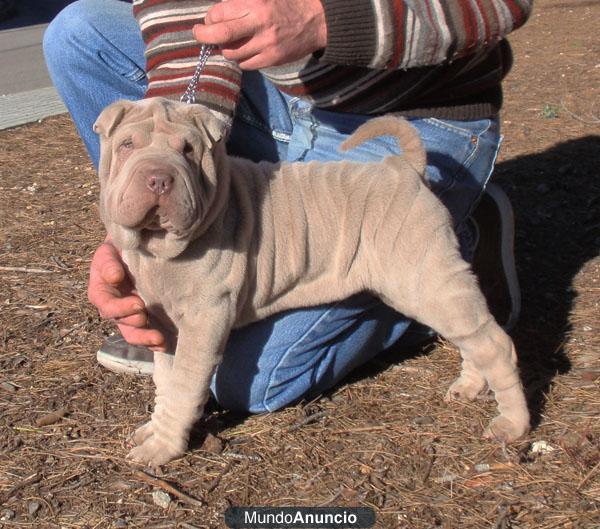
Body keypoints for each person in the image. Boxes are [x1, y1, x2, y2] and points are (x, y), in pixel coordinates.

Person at [44, 0, 531, 414]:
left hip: (420, 111)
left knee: (247, 382)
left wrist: (324, 19)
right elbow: (185, 29)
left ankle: (446, 235)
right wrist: (143, 220)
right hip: (281, 100)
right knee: (79, 33)